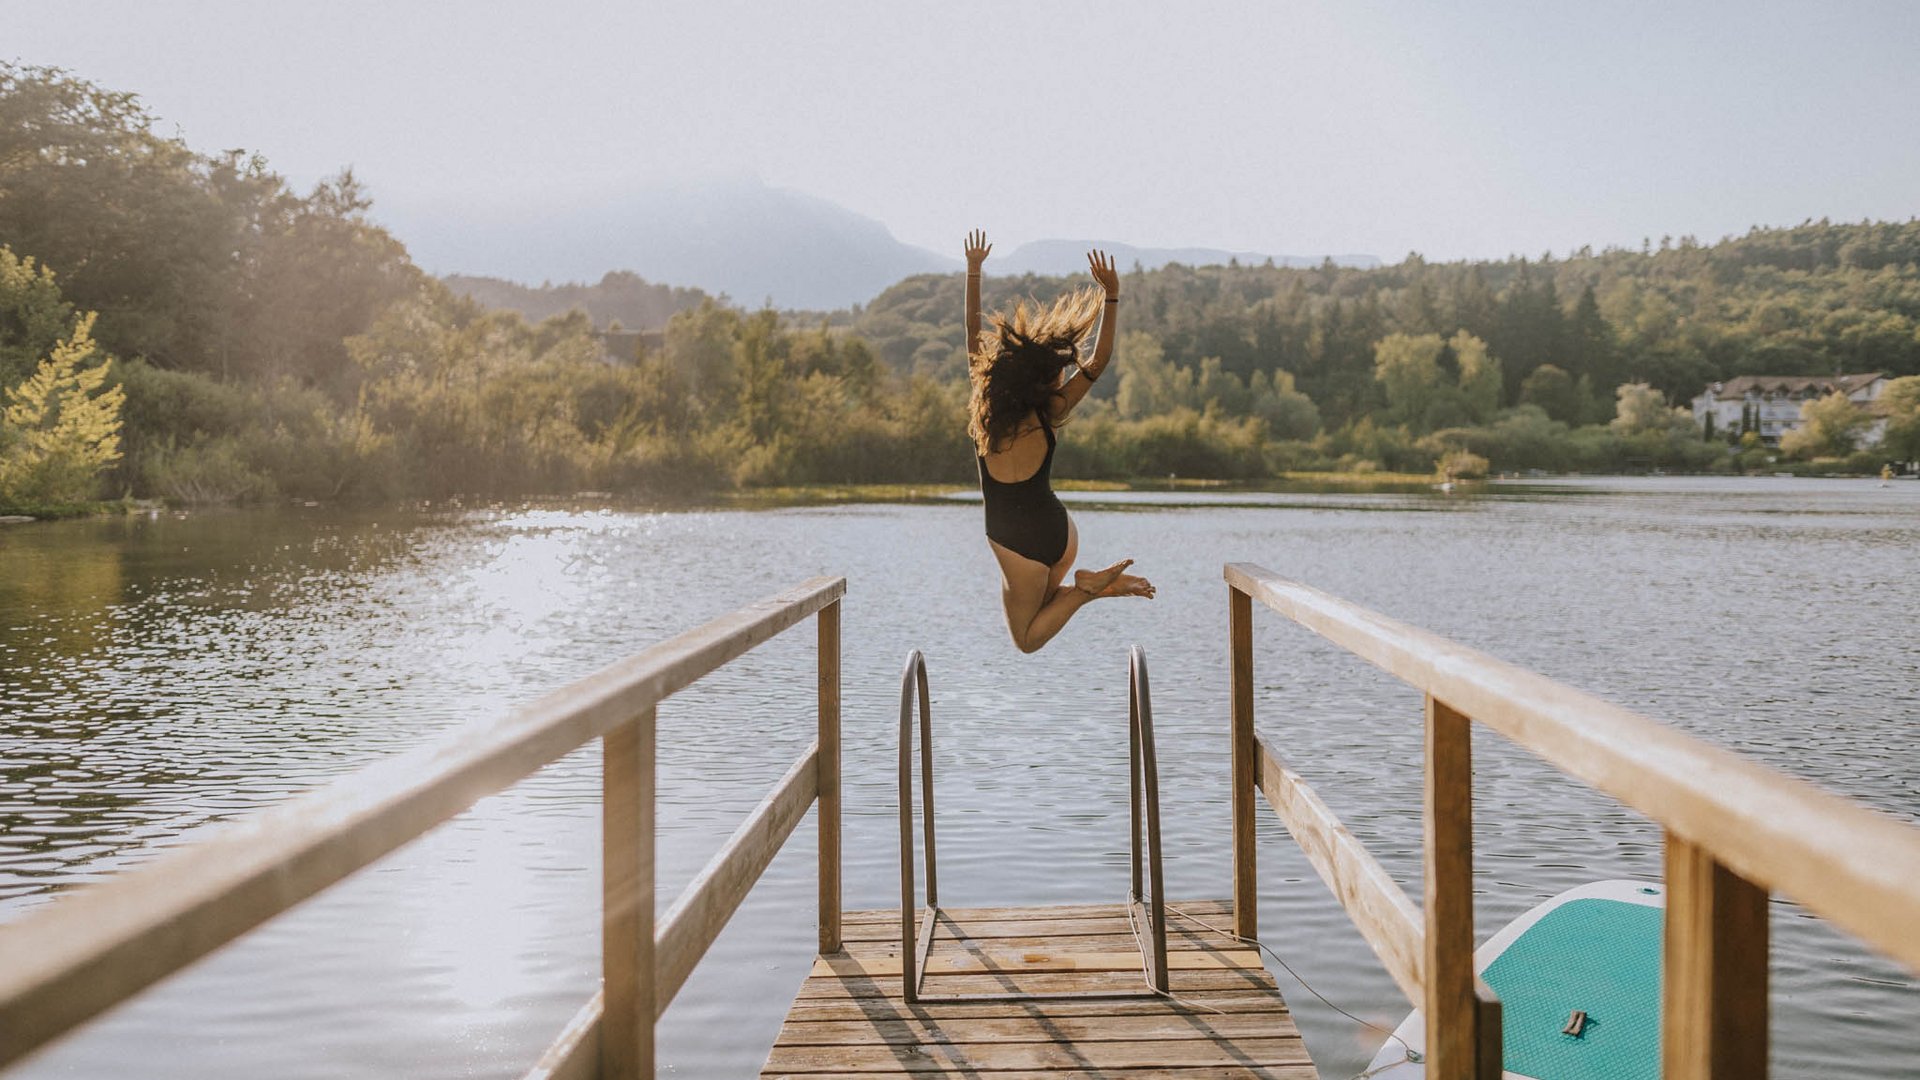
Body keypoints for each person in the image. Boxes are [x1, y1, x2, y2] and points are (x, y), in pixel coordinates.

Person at [964, 229, 1153, 654]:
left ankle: (1087, 589)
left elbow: (973, 334)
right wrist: (1112, 297)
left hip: (1015, 543)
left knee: (1026, 639)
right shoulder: (1049, 411)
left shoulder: (986, 411)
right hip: (1058, 533)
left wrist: (973, 271)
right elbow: (1097, 362)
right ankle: (1092, 587)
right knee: (1046, 608)